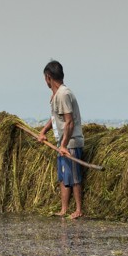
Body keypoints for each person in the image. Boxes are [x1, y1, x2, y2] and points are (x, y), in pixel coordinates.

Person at [37, 60, 85, 219]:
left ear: (48, 77)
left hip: (71, 141)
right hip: (62, 142)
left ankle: (78, 209)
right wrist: (43, 131)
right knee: (64, 176)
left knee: (74, 176)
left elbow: (69, 121)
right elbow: (55, 118)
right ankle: (64, 209)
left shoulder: (64, 94)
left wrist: (64, 144)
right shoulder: (56, 96)